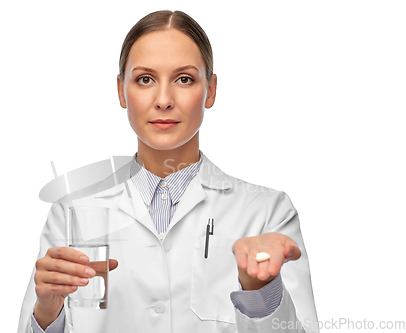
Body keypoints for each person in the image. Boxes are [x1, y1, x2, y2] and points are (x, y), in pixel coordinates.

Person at [18, 10, 318, 333]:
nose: (163, 100)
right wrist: (48, 311)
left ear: (211, 90)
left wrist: (261, 292)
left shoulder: (266, 212)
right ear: (121, 91)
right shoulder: (72, 212)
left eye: (184, 79)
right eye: (145, 79)